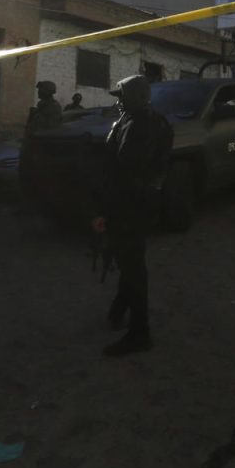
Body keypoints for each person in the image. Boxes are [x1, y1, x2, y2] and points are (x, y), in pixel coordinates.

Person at [91, 75, 172, 357]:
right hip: (140, 203)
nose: (119, 101)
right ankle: (118, 312)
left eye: (122, 96)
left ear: (135, 97)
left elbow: (123, 171)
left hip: (130, 205)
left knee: (132, 266)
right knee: (130, 261)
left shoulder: (138, 125)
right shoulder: (151, 121)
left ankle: (140, 332)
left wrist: (104, 210)